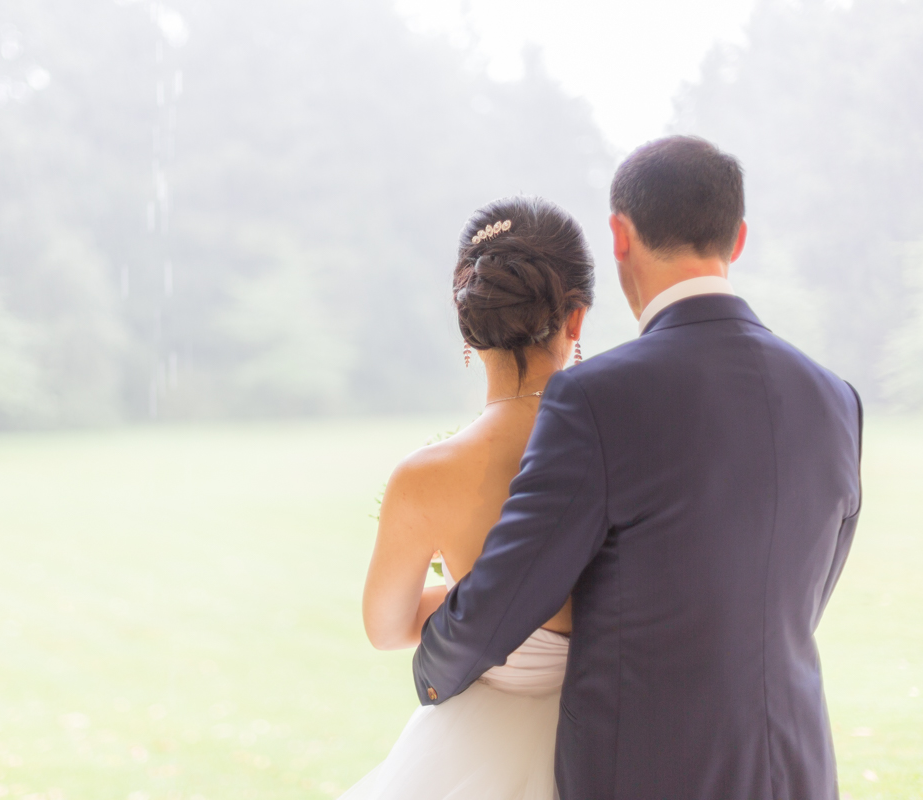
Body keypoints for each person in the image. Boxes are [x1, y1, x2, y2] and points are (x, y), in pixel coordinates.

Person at [414, 136, 863, 800]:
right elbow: (801, 597)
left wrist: (432, 670)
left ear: (619, 236)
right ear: (737, 241)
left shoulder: (597, 397)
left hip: (649, 773)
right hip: (798, 771)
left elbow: (507, 595)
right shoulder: (834, 398)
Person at [342, 195, 594, 799]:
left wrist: (472, 593)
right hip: (608, 744)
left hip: (465, 758)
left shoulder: (425, 478)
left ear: (467, 322)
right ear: (575, 318)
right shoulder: (625, 447)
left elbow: (386, 627)